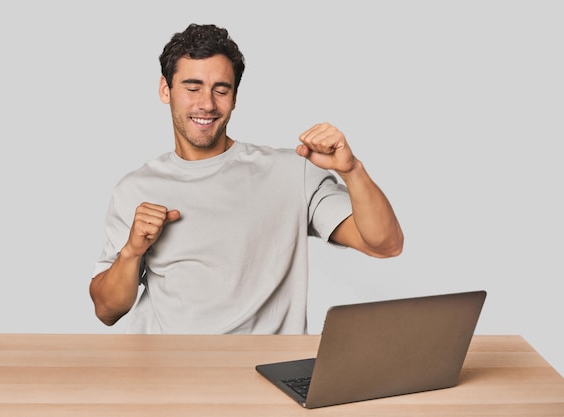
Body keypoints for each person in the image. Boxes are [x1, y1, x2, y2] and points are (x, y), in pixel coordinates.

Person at [89, 23, 404, 334]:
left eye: (221, 89)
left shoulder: (293, 171)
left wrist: (352, 170)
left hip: (263, 370)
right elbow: (107, 310)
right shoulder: (135, 188)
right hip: (170, 370)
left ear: (235, 97)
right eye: (192, 87)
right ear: (165, 90)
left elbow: (384, 244)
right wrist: (132, 251)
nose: (207, 104)